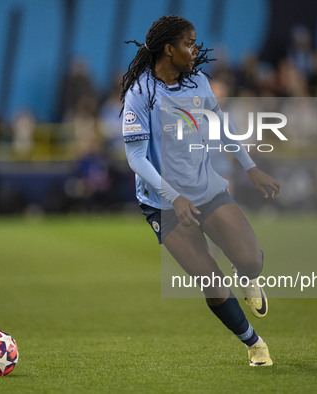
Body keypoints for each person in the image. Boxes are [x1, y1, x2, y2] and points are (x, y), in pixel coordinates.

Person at [120, 15, 280, 367]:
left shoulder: (199, 84)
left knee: (251, 259)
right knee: (210, 280)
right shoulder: (141, 94)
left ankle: (249, 278)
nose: (195, 50)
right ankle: (254, 344)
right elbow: (135, 158)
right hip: (163, 204)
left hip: (206, 190)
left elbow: (222, 126)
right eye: (189, 43)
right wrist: (172, 197)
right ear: (168, 49)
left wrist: (250, 167)